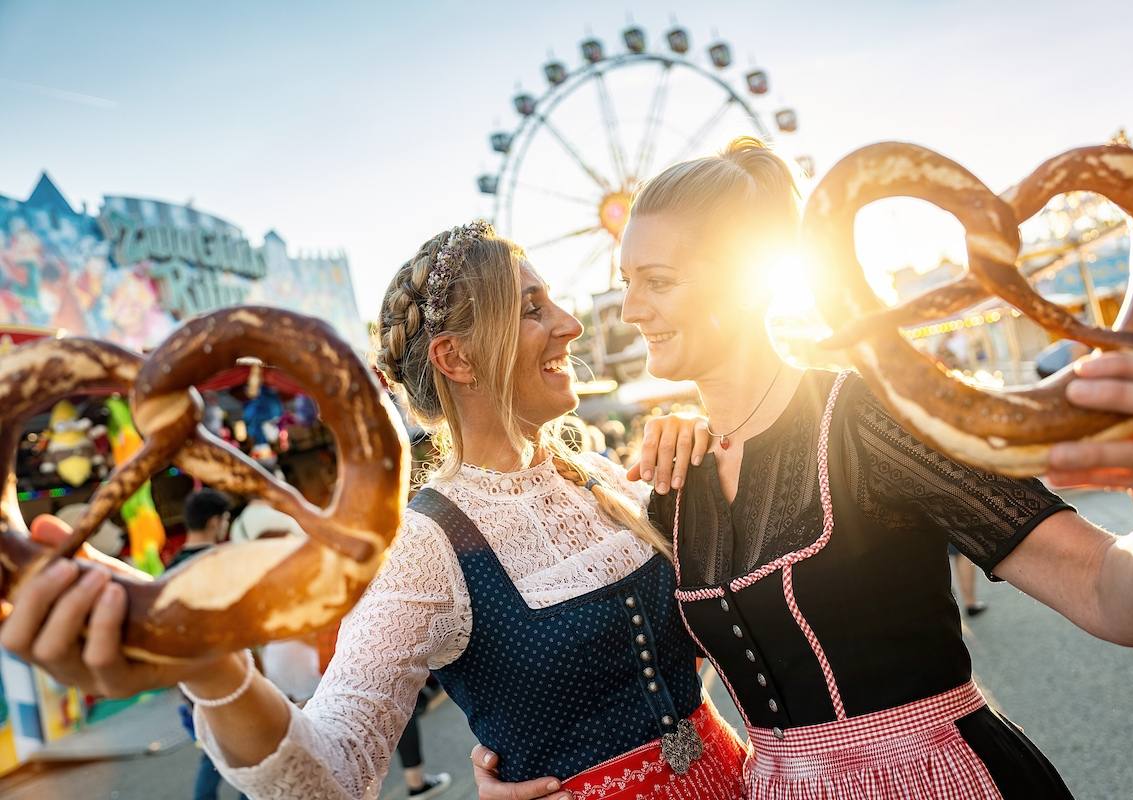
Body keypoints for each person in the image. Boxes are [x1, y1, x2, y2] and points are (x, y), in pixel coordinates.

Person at [0, 222, 743, 800]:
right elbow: (333, 774)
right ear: (456, 359)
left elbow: (740, 626)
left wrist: (706, 430)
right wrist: (211, 667)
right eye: (532, 309)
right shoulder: (425, 544)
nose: (571, 324)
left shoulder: (606, 480)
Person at [608, 136, 1133, 798]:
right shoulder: (676, 479)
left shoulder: (872, 417)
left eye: (658, 281)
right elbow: (655, 693)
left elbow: (1112, 596)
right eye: (627, 282)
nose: (631, 309)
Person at [170, 489, 247, 800]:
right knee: (245, 753)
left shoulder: (171, 568)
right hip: (227, 673)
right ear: (215, 521)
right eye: (225, 519)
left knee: (215, 751)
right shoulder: (218, 562)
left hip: (189, 679)